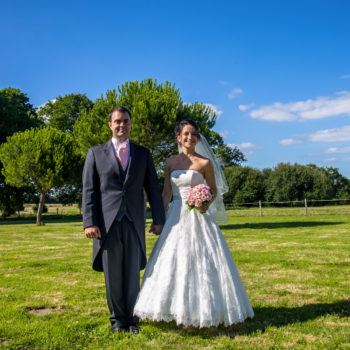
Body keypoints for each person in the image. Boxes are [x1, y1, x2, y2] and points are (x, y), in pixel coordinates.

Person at [133, 119, 254, 327]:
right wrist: (159, 219)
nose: (190, 138)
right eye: (186, 134)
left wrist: (204, 201)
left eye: (194, 134)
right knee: (172, 259)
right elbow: (166, 193)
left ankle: (206, 309)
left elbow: (214, 189)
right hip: (176, 216)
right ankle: (173, 307)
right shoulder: (171, 162)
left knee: (201, 260)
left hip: (199, 216)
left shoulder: (205, 163)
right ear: (178, 137)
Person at [82, 106, 165, 334]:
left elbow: (153, 189)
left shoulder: (142, 154)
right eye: (117, 121)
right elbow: (89, 191)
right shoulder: (95, 153)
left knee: (131, 273)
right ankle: (118, 321)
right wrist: (89, 222)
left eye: (126, 121)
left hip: (133, 221)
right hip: (106, 225)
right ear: (110, 124)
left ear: (130, 123)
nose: (122, 125)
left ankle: (132, 319)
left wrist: (158, 219)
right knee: (113, 275)